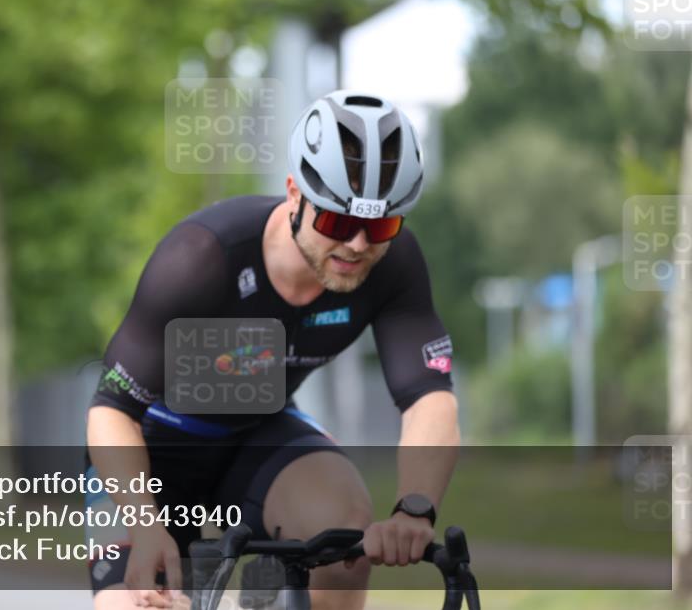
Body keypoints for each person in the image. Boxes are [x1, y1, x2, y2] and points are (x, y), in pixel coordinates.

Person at [85, 91, 460, 610]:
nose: (356, 244)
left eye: (379, 226)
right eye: (335, 222)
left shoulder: (394, 265)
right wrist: (145, 525)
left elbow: (430, 399)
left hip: (260, 430)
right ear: (293, 195)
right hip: (155, 443)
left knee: (344, 547)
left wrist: (414, 510)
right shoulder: (202, 258)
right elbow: (111, 411)